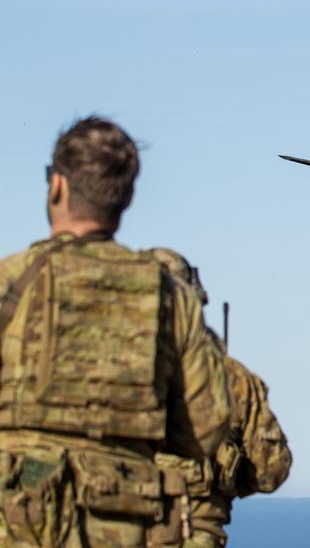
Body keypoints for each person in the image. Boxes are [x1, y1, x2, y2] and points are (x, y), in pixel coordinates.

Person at [0, 117, 231, 547]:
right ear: (125, 198)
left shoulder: (10, 283)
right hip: (124, 523)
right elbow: (206, 429)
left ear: (57, 186)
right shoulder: (171, 297)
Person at [149, 249, 292, 548]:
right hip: (195, 534)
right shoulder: (232, 378)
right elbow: (272, 471)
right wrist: (226, 476)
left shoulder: (106, 374)